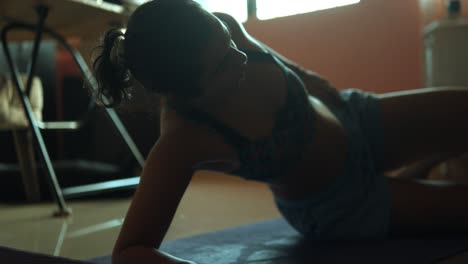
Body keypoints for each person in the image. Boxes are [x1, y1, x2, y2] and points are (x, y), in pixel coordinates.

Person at [91, 1, 468, 263]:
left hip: (357, 119)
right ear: (181, 94)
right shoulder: (182, 139)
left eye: (229, 41)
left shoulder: (224, 27)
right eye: (223, 66)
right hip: (342, 206)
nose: (238, 56)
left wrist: (325, 89)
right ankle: (416, 176)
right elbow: (130, 250)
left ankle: (417, 169)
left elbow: (300, 74)